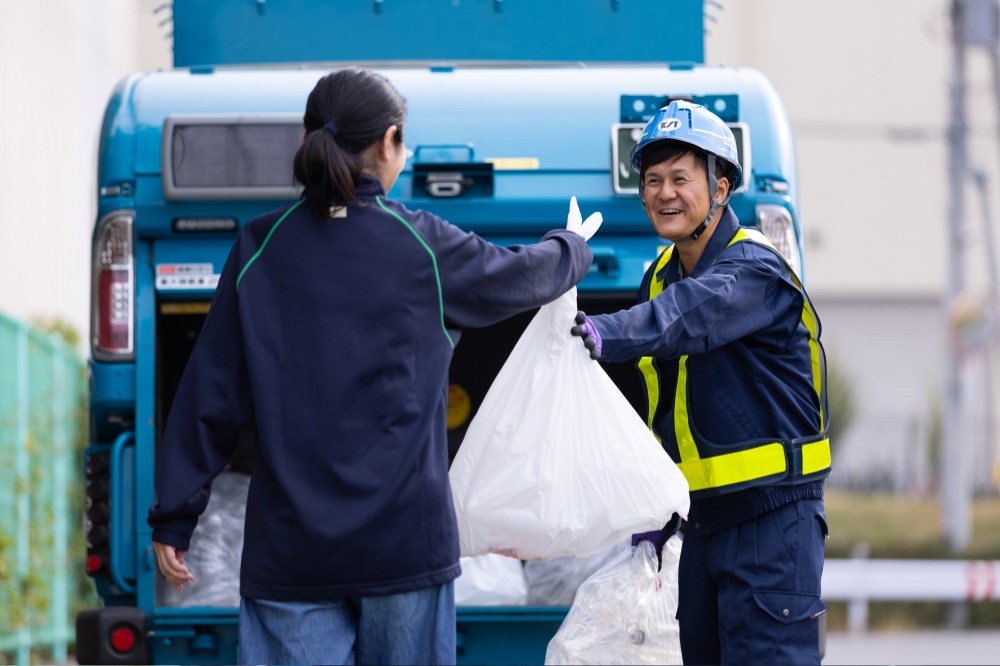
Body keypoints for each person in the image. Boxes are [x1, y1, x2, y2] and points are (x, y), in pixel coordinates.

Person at [148, 66, 601, 666]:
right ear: (388, 142)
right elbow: (521, 276)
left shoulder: (259, 248)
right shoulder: (420, 244)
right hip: (404, 547)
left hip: (292, 551)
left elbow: (210, 391)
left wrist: (175, 517)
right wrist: (571, 246)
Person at [571, 100, 831, 665]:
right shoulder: (660, 276)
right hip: (701, 529)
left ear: (720, 188)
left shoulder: (755, 270)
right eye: (653, 180)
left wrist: (597, 331)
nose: (665, 193)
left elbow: (687, 317)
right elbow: (658, 403)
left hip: (772, 526)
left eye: (681, 179)